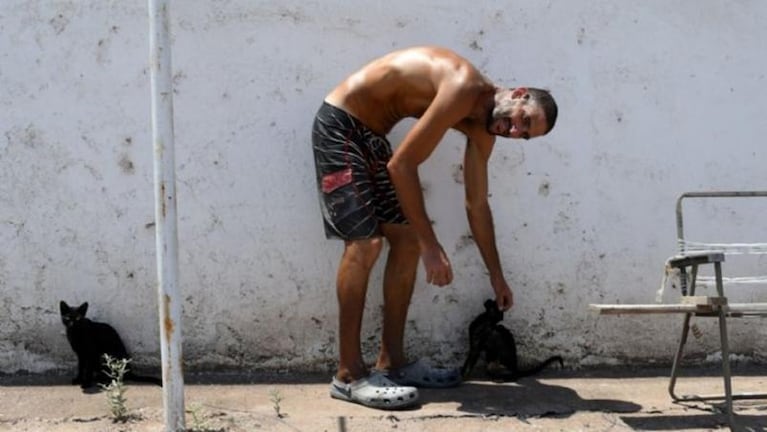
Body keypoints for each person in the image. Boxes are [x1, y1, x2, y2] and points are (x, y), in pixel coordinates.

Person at [311, 46, 558, 409]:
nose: (514, 130)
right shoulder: (463, 86)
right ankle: (348, 375)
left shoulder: (483, 129)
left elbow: (477, 204)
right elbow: (402, 166)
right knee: (366, 245)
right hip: (341, 126)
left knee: (407, 241)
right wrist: (432, 247)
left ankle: (391, 363)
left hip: (371, 137)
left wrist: (497, 276)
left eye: (524, 134)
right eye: (522, 119)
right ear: (518, 93)